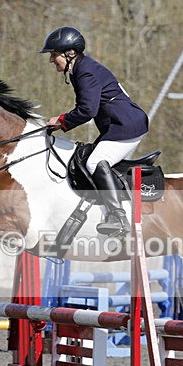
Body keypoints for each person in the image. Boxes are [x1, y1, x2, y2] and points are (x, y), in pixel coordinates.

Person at [40, 26, 149, 236]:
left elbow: (88, 110)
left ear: (69, 53)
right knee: (93, 162)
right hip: (119, 125)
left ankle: (119, 218)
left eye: (54, 55)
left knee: (95, 162)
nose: (51, 60)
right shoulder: (79, 69)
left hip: (126, 126)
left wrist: (61, 121)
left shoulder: (85, 71)